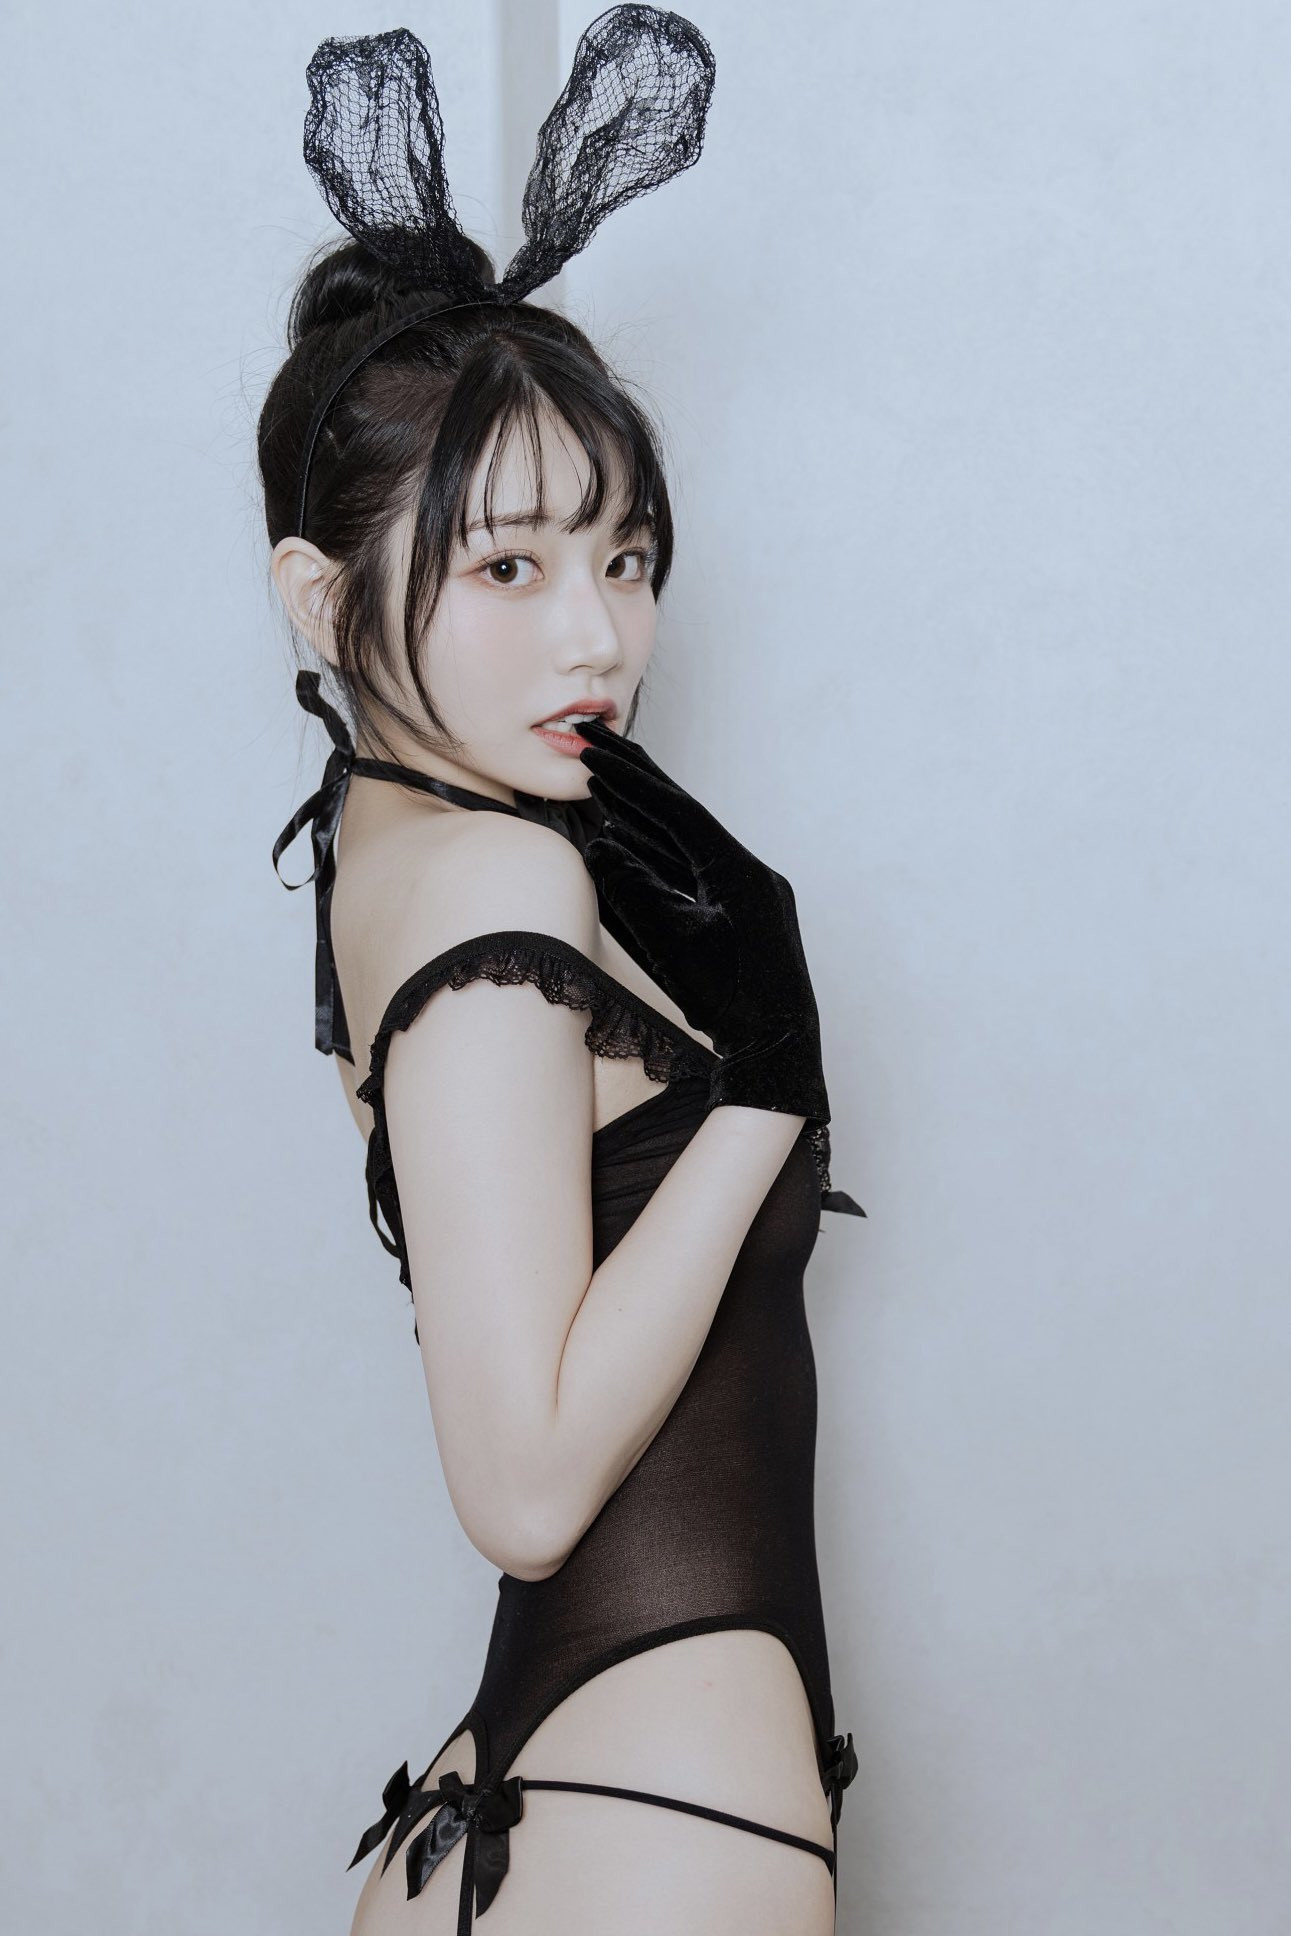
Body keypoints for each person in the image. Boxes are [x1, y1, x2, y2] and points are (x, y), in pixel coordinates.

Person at [261, 15, 862, 1933]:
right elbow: (522, 1489)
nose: (596, 636)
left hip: (563, 1798)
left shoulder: (398, 846)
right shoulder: (501, 876)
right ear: (319, 597)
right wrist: (765, 1085)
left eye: (626, 556)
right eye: (508, 567)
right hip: (653, 1836)